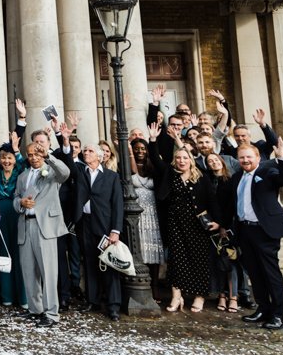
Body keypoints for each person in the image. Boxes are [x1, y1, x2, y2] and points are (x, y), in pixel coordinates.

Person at [233, 138, 283, 330]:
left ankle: (278, 316)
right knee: (254, 272)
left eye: (249, 157)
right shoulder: (238, 176)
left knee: (270, 273)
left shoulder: (267, 171)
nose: (245, 160)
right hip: (245, 230)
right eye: (242, 157)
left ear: (257, 157)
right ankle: (262, 309)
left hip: (264, 230)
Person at [157, 146, 221, 313]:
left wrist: (218, 222)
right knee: (176, 261)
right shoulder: (171, 176)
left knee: (199, 260)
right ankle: (176, 296)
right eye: (178, 158)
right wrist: (170, 174)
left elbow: (212, 200)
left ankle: (199, 296)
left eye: (185, 158)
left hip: (197, 225)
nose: (181, 161)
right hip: (175, 224)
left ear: (191, 160)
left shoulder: (202, 177)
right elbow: (161, 195)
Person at [14, 141, 71, 327]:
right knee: (29, 271)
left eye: (37, 154)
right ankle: (35, 310)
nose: (33, 158)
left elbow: (66, 173)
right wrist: (21, 203)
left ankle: (52, 313)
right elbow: (15, 198)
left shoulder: (51, 171)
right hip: (25, 224)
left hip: (45, 226)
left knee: (48, 271)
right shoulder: (22, 177)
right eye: (30, 155)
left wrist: (48, 156)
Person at [71, 144, 124, 321]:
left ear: (100, 157)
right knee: (90, 262)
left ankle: (113, 305)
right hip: (84, 224)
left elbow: (117, 204)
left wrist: (115, 230)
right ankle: (93, 301)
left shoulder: (111, 176)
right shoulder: (80, 172)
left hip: (104, 225)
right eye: (85, 151)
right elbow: (67, 162)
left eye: (90, 151)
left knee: (109, 265)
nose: (86, 153)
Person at [129, 134, 164, 290]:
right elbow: (132, 173)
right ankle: (140, 285)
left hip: (153, 214)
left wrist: (153, 141)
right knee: (139, 249)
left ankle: (155, 286)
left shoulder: (153, 167)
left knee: (154, 251)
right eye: (136, 149)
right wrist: (128, 150)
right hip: (136, 214)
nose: (140, 151)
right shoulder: (129, 166)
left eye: (143, 148)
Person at [0, 140, 27, 309]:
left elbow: (25, 163)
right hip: (0, 216)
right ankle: (7, 295)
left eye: (10, 158)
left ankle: (23, 298)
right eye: (4, 158)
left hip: (16, 213)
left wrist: (16, 149)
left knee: (19, 253)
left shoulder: (21, 173)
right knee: (4, 253)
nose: (7, 161)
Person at [204, 152, 238, 313]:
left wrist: (223, 225)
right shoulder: (208, 180)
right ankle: (221, 296)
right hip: (213, 226)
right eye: (210, 161)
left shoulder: (231, 180)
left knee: (231, 262)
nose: (213, 163)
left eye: (215, 160)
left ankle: (233, 297)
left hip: (228, 226)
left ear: (221, 161)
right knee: (218, 263)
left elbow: (232, 205)